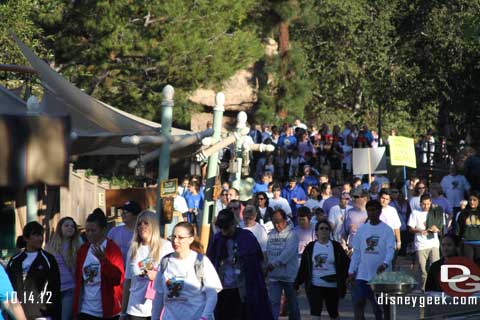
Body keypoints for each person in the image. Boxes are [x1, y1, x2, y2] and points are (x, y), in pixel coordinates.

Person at [207, 209, 273, 320]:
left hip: (243, 290)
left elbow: (257, 262)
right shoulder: (217, 240)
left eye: (226, 227)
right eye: (221, 227)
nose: (223, 231)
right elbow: (210, 263)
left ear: (233, 224)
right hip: (222, 290)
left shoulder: (246, 237)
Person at [151, 222, 222, 320]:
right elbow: (159, 296)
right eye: (173, 236)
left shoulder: (201, 261)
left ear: (191, 239)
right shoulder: (165, 262)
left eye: (180, 237)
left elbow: (212, 295)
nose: (175, 241)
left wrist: (204, 317)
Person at [348, 200, 396, 320]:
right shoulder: (362, 229)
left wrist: (385, 264)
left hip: (381, 276)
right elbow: (357, 252)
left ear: (379, 211)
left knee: (381, 307)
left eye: (375, 210)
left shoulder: (387, 230)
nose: (372, 212)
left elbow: (391, 250)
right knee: (359, 302)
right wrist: (351, 271)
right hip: (363, 274)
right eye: (370, 210)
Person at [73, 208, 124, 319]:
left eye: (93, 230)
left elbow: (118, 279)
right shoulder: (83, 249)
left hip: (107, 310)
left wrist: (103, 261)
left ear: (103, 230)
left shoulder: (112, 248)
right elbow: (78, 279)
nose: (89, 234)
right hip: (86, 309)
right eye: (87, 230)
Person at [121, 211, 173, 319]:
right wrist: (123, 311)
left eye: (146, 223)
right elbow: (127, 281)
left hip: (159, 308)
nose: (142, 226)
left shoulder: (166, 246)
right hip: (136, 309)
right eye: (139, 224)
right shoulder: (133, 248)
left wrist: (157, 276)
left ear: (153, 225)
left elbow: (174, 276)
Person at [295, 219, 350, 320]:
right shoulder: (310, 247)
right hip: (315, 285)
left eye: (327, 229)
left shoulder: (336, 247)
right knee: (315, 313)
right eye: (321, 228)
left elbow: (346, 265)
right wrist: (296, 283)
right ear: (316, 232)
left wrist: (345, 278)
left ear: (330, 232)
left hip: (332, 285)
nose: (324, 230)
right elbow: (304, 268)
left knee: (333, 313)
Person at [6, 221, 62, 320]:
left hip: (41, 315)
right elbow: (8, 287)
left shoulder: (48, 260)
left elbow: (55, 290)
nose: (40, 238)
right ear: (26, 238)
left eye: (41, 235)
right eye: (35, 235)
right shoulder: (14, 260)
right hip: (18, 314)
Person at [266, 209, 301, 320]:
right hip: (274, 277)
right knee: (273, 303)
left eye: (279, 221)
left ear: (285, 220)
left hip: (289, 277)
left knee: (292, 304)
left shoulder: (293, 234)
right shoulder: (270, 234)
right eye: (274, 222)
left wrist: (273, 264)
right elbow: (268, 252)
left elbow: (287, 254)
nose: (277, 225)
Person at [46, 217, 83, 320]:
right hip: (54, 289)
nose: (70, 228)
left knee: (65, 318)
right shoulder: (50, 246)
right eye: (66, 225)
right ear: (60, 228)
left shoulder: (79, 244)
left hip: (70, 289)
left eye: (72, 226)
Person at [408, 194, 441, 291]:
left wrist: (437, 229)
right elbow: (410, 228)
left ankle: (436, 287)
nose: (426, 206)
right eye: (424, 204)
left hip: (433, 243)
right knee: (423, 269)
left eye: (428, 204)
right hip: (421, 244)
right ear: (420, 203)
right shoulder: (415, 213)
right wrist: (419, 231)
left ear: (431, 203)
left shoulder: (435, 212)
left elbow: (440, 226)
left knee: (435, 266)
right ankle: (424, 288)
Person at [456, 192, 480, 263]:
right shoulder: (463, 213)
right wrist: (458, 243)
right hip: (467, 244)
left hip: (479, 243)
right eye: (470, 200)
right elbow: (458, 229)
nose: (472, 202)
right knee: (469, 266)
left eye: (474, 200)